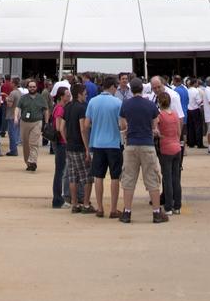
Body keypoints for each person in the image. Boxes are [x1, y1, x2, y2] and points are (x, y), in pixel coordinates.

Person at [118, 78, 168, 224]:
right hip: (147, 144)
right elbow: (155, 125)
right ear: (142, 89)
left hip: (131, 144)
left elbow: (122, 124)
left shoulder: (126, 105)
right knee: (152, 179)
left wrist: (128, 129)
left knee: (129, 179)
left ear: (131, 90)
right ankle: (156, 212)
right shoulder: (151, 105)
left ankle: (127, 212)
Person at [82, 74, 123, 219]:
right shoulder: (117, 102)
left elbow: (86, 124)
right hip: (113, 143)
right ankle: (113, 208)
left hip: (97, 143)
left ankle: (100, 208)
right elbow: (121, 124)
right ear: (112, 87)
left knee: (98, 176)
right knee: (115, 176)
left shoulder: (93, 101)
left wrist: (97, 124)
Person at [63, 81, 95, 213]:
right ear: (80, 94)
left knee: (73, 176)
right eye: (85, 94)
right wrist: (87, 148)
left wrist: (67, 140)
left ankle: (74, 204)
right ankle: (86, 204)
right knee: (87, 177)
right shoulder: (82, 108)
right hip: (80, 146)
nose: (86, 96)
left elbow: (61, 127)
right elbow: (83, 129)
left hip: (70, 146)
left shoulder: (68, 106)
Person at [156, 90, 183, 216]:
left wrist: (160, 135)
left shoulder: (160, 116)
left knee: (167, 178)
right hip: (177, 147)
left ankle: (168, 206)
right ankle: (177, 205)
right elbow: (178, 131)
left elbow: (156, 131)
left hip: (166, 148)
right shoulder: (175, 114)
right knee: (176, 178)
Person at [18, 79, 50, 172]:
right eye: (30, 87)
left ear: (36, 87)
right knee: (26, 144)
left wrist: (46, 122)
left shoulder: (41, 98)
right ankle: (28, 162)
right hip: (24, 123)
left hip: (37, 122)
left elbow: (46, 110)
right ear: (27, 87)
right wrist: (16, 117)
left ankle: (33, 162)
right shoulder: (23, 98)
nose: (32, 88)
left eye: (34, 87)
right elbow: (18, 108)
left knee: (34, 143)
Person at [51, 84, 69, 208]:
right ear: (62, 97)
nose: (69, 97)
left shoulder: (58, 107)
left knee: (60, 170)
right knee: (60, 171)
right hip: (61, 143)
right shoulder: (60, 109)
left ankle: (58, 198)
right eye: (68, 95)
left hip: (59, 143)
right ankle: (57, 199)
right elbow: (58, 127)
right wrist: (66, 139)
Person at [186, 78, 204, 148]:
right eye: (196, 83)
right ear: (194, 83)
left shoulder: (187, 90)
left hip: (189, 110)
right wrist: (203, 100)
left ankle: (191, 143)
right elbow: (198, 101)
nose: (197, 84)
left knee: (190, 127)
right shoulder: (196, 91)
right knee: (198, 127)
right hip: (195, 109)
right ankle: (199, 143)